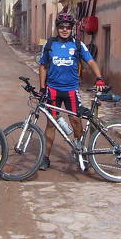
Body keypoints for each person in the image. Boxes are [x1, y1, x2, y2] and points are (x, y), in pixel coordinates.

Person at [38, 12, 106, 171]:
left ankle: (80, 152)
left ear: (72, 29)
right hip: (53, 90)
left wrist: (99, 78)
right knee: (51, 124)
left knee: (76, 122)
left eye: (68, 27)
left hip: (71, 90)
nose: (64, 30)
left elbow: (91, 61)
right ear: (57, 28)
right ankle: (46, 158)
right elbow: (43, 66)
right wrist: (42, 88)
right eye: (61, 27)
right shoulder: (49, 44)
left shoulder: (77, 44)